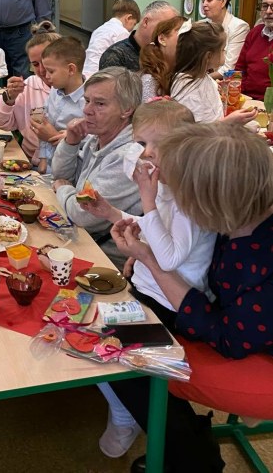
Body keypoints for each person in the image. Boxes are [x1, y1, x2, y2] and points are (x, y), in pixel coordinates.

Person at [107, 122, 273, 473]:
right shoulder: (243, 213)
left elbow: (229, 338)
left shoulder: (261, 258)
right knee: (120, 322)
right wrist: (148, 253)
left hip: (252, 351)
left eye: (181, 196)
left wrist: (153, 262)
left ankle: (195, 461)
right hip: (234, 322)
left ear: (210, 202)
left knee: (126, 352)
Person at [80, 100, 217, 460]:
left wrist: (147, 197)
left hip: (169, 305)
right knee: (85, 332)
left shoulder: (190, 197)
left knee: (99, 342)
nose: (148, 155)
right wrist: (113, 212)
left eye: (160, 146)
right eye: (142, 144)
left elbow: (168, 257)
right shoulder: (169, 188)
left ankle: (128, 414)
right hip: (144, 289)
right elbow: (153, 233)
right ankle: (125, 408)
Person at [51, 67, 143, 268]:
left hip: (106, 264)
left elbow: (83, 214)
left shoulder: (128, 156)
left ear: (127, 109)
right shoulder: (97, 136)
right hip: (84, 243)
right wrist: (71, 142)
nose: (87, 110)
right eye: (87, 101)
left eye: (99, 103)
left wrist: (63, 189)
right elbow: (59, 175)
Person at [0, 21, 61, 165]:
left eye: (46, 62)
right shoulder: (29, 86)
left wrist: (55, 137)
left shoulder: (81, 89)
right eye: (35, 64)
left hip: (64, 166)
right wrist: (9, 98)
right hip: (31, 162)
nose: (42, 70)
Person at [36, 37, 85, 174]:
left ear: (70, 69)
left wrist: (66, 139)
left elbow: (91, 143)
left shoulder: (88, 102)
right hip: (49, 167)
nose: (46, 76)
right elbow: (45, 125)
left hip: (71, 172)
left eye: (51, 71)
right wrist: (43, 159)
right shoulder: (54, 91)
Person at [99, 0, 179, 72]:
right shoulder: (116, 55)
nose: (168, 33)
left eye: (172, 29)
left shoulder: (166, 54)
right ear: (146, 22)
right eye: (165, 26)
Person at [83, 0, 141, 78]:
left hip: (86, 71)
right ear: (128, 18)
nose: (132, 29)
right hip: (100, 74)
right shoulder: (122, 32)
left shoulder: (100, 29)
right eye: (134, 24)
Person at [201, 0, 249, 77]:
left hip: (223, 82)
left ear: (223, 2)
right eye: (203, 1)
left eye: (209, 0)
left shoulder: (239, 27)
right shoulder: (202, 24)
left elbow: (229, 68)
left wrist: (202, 80)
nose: (204, 4)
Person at [235, 0, 273, 100]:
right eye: (265, 6)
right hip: (246, 97)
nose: (268, 11)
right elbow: (239, 68)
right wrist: (235, 92)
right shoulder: (255, 33)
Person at [138, 15, 184, 101]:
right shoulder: (149, 80)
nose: (188, 40)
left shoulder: (178, 74)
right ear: (162, 39)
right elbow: (149, 113)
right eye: (182, 33)